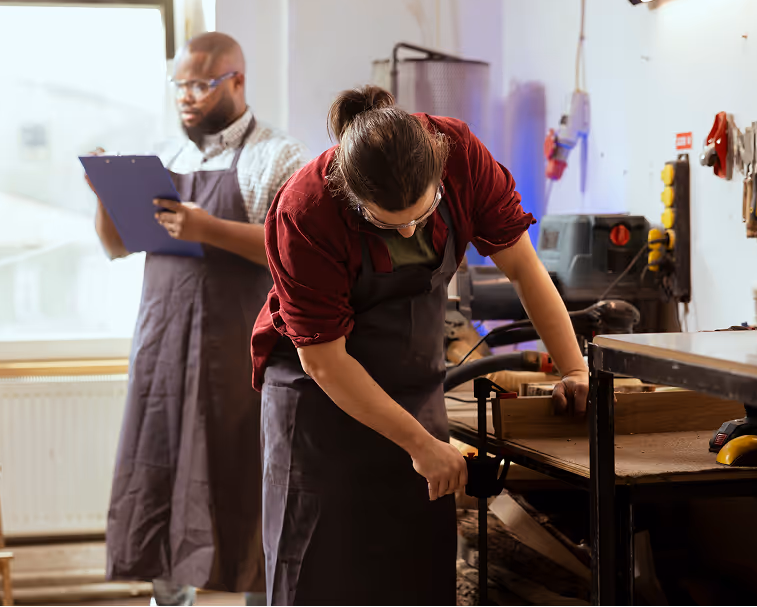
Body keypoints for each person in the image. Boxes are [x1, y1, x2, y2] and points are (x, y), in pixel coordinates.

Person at [250, 85, 590, 605]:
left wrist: (575, 369)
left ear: (439, 173)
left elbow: (523, 268)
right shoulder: (305, 209)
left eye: (422, 214)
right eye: (389, 223)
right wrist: (421, 445)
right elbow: (323, 360)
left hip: (412, 385)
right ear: (349, 191)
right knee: (320, 571)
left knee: (415, 570)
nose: (410, 229)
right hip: (319, 404)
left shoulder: (462, 157)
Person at [87, 32, 309, 607]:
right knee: (158, 473)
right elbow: (118, 248)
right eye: (180, 84)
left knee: (245, 478)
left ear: (236, 80)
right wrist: (104, 199)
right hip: (163, 349)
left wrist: (206, 228)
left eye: (201, 84)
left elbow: (290, 248)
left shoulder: (278, 156)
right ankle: (170, 600)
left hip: (240, 351)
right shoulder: (166, 156)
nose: (187, 96)